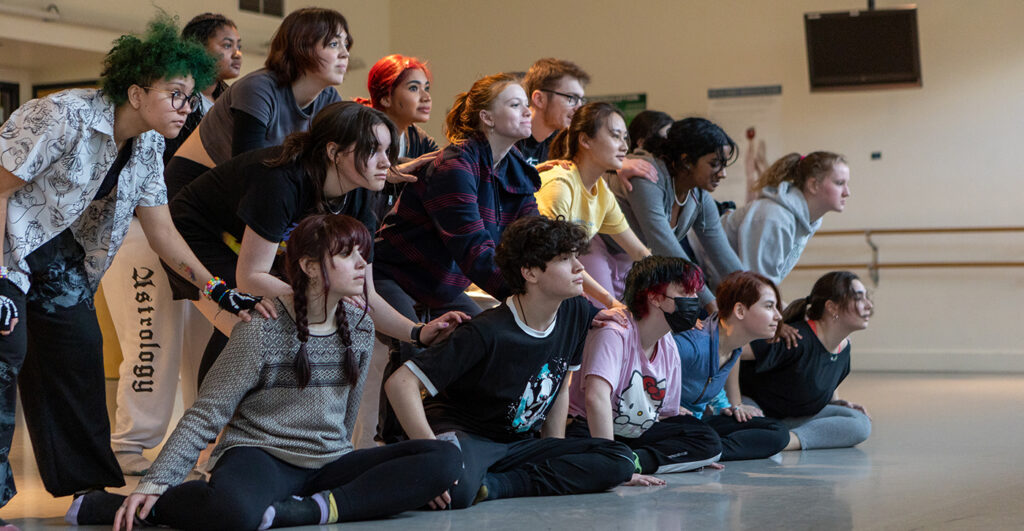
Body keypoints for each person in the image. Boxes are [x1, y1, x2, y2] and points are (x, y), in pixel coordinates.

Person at [0, 16, 260, 519]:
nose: (187, 109)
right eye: (176, 95)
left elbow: (163, 233)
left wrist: (219, 289)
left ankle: (85, 494)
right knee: (6, 348)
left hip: (52, 251)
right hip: (5, 243)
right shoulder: (60, 115)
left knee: (79, 346)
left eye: (191, 97)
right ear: (136, 92)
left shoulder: (144, 147)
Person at [66, 214, 463, 530]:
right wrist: (155, 483)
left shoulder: (359, 327)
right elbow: (208, 414)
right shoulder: (262, 327)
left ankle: (309, 511)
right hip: (261, 456)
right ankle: (124, 507)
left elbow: (346, 415)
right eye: (348, 255)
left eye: (364, 254)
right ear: (308, 266)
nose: (363, 265)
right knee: (233, 514)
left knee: (444, 460)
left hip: (329, 462)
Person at [168, 101, 464, 385]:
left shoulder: (357, 195)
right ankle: (212, 433)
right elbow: (250, 277)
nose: (387, 162)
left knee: (290, 312)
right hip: (193, 231)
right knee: (251, 317)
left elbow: (364, 294)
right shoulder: (282, 181)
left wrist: (417, 332)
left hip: (246, 242)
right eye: (373, 150)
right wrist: (321, 297)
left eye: (388, 150)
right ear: (333, 151)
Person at [385, 215, 635, 509]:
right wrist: (432, 453)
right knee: (458, 491)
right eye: (565, 259)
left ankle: (495, 485)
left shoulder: (576, 312)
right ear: (529, 272)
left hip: (518, 444)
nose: (580, 267)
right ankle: (472, 475)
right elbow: (400, 383)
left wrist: (550, 448)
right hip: (469, 437)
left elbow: (559, 389)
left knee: (619, 460)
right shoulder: (486, 330)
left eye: (577, 257)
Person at [104, 11, 242, 478]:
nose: (236, 53)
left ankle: (194, 440)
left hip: (195, 239)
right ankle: (129, 443)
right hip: (142, 236)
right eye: (226, 44)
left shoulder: (224, 106)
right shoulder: (148, 118)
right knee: (151, 338)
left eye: (238, 44)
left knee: (199, 341)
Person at [372, 72, 539, 442]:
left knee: (488, 340)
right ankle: (393, 443)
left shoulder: (517, 172)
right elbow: (474, 250)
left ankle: (459, 428)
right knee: (413, 345)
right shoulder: (455, 164)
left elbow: (535, 241)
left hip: (441, 286)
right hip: (393, 275)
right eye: (515, 104)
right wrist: (528, 300)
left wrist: (554, 290)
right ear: (488, 118)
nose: (528, 111)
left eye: (526, 104)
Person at [163, 6, 350, 202]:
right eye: (334, 43)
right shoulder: (258, 88)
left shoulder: (329, 98)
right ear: (301, 47)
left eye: (346, 44)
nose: (345, 53)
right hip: (192, 196)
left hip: (243, 195)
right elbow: (249, 173)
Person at [566, 256, 722, 479]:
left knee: (707, 440)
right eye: (686, 293)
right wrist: (613, 459)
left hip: (634, 431)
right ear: (655, 297)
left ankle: (633, 462)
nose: (694, 301)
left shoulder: (667, 342)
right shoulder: (614, 331)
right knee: (591, 455)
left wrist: (694, 450)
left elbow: (666, 414)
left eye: (695, 294)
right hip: (590, 429)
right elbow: (595, 398)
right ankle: (616, 462)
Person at [606, 118, 745, 312]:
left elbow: (723, 255)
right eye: (714, 164)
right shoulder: (648, 175)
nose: (723, 174)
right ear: (686, 160)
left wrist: (758, 296)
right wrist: (708, 302)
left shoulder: (698, 196)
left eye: (724, 165)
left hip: (633, 261)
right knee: (606, 318)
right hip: (601, 251)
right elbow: (663, 246)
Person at [739, 271, 873, 451]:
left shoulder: (844, 347)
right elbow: (733, 351)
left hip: (793, 418)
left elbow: (825, 370)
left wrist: (834, 402)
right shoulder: (795, 338)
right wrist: (734, 402)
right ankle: (772, 437)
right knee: (753, 424)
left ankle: (786, 441)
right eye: (858, 298)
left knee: (860, 423)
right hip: (757, 410)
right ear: (832, 307)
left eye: (867, 297)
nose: (868, 305)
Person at [535, 102, 651, 309]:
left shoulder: (600, 189)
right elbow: (558, 257)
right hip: (525, 289)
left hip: (552, 287)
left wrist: (675, 288)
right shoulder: (559, 184)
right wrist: (610, 302)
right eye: (615, 136)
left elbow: (640, 253)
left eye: (625, 138)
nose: (624, 146)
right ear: (585, 140)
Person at [674, 271, 791, 461]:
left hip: (696, 424)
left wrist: (729, 406)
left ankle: (703, 452)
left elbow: (708, 380)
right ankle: (700, 450)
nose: (778, 316)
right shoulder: (691, 345)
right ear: (740, 311)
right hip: (664, 423)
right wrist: (665, 406)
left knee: (777, 432)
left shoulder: (733, 347)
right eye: (769, 306)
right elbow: (637, 375)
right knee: (707, 437)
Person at [690, 151, 850, 288]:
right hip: (692, 265)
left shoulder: (808, 220)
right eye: (839, 183)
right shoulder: (775, 217)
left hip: (712, 281)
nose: (847, 192)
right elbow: (754, 284)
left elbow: (763, 283)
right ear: (814, 185)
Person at [518, 57, 656, 191]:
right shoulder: (508, 139)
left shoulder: (562, 141)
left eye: (581, 100)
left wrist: (619, 165)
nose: (579, 107)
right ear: (539, 99)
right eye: (571, 98)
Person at [360, 53, 439, 220]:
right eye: (413, 88)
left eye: (426, 88)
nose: (426, 97)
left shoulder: (418, 138)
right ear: (386, 98)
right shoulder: (359, 133)